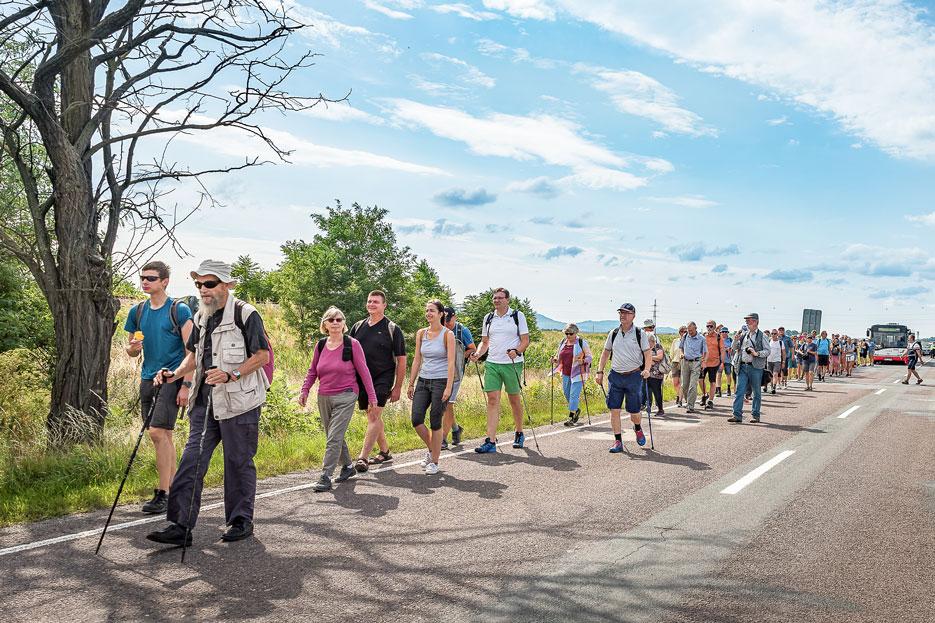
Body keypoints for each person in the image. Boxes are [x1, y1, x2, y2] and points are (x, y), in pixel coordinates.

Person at [147, 259, 270, 546]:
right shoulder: (200, 316)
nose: (203, 289)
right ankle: (180, 526)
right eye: (199, 284)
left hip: (240, 402)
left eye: (209, 283)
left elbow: (262, 355)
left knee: (237, 462)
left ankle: (240, 520)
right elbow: (193, 356)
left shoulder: (246, 314)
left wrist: (232, 374)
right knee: (191, 461)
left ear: (226, 285)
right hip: (204, 402)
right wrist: (174, 375)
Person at [124, 261, 194, 515]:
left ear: (164, 281)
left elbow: (192, 351)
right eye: (143, 277)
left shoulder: (179, 310)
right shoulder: (138, 311)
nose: (145, 282)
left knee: (156, 432)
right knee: (162, 436)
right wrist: (132, 349)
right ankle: (172, 489)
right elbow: (131, 349)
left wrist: (186, 384)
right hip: (147, 378)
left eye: (151, 278)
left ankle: (162, 493)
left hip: (171, 378)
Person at [300, 306, 377, 491]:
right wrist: (304, 390)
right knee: (333, 435)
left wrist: (372, 396)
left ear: (344, 324)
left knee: (333, 437)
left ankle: (325, 476)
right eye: (331, 320)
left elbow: (364, 371)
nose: (335, 322)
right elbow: (312, 371)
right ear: (325, 324)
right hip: (324, 395)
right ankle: (348, 466)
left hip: (347, 394)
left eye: (339, 319)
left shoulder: (352, 344)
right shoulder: (320, 345)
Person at [349, 291, 406, 472]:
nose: (371, 304)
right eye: (369, 301)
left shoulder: (392, 329)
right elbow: (348, 355)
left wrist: (397, 387)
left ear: (384, 305)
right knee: (372, 415)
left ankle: (362, 457)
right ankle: (385, 451)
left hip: (383, 377)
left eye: (376, 302)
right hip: (362, 379)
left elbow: (402, 360)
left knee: (374, 414)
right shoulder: (357, 327)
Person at [470, 288, 530, 453]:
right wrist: (478, 353)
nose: (497, 301)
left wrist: (517, 351)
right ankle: (490, 440)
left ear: (507, 300)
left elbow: (525, 340)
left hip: (512, 363)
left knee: (514, 399)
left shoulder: (517, 316)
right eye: (494, 298)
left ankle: (519, 432)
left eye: (500, 298)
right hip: (492, 363)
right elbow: (485, 342)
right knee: (492, 400)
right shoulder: (488, 318)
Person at [407, 300, 456, 475]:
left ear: (441, 314)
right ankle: (432, 449)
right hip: (423, 380)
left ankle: (434, 461)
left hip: (441, 381)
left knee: (435, 421)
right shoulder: (421, 333)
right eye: (427, 310)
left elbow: (451, 363)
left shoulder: (447, 335)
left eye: (432, 311)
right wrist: (411, 382)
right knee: (416, 419)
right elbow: (417, 360)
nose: (428, 313)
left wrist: (448, 387)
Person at [596, 303, 652, 453]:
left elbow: (647, 354)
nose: (623, 315)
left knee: (634, 412)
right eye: (621, 312)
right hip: (615, 376)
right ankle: (617, 441)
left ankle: (638, 427)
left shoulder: (640, 334)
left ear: (633, 316)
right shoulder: (613, 333)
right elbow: (605, 352)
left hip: (634, 376)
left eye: (627, 313)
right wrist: (599, 371)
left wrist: (646, 369)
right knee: (614, 410)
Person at [441, 307, 475, 449]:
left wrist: (461, 356)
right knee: (445, 403)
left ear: (455, 317)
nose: (447, 323)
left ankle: (442, 438)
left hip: (456, 373)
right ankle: (455, 429)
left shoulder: (462, 331)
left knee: (448, 403)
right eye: (444, 320)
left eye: (449, 320)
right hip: (440, 371)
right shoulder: (439, 329)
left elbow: (472, 348)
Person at [727, 313, 770, 424]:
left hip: (755, 367)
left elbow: (768, 351)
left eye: (749, 321)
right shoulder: (744, 335)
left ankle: (755, 415)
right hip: (742, 366)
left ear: (756, 322)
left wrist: (757, 353)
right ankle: (737, 415)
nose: (747, 322)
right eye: (746, 321)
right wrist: (735, 340)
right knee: (739, 391)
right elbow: (735, 348)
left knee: (756, 392)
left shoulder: (762, 336)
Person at [551, 323, 593, 426]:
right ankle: (576, 409)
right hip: (565, 372)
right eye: (566, 333)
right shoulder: (563, 342)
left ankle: (571, 417)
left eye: (570, 333)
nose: (568, 335)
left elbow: (590, 357)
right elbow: (559, 357)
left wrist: (582, 361)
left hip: (578, 373)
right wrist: (555, 360)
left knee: (574, 395)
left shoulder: (582, 343)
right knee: (566, 393)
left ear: (576, 333)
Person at [678, 321, 706, 413]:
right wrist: (682, 354)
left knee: (693, 385)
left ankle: (690, 406)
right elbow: (681, 347)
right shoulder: (685, 336)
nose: (689, 332)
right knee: (685, 385)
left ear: (696, 328)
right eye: (688, 330)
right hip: (685, 362)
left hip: (696, 362)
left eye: (691, 330)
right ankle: (688, 401)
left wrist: (703, 362)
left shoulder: (701, 338)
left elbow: (705, 352)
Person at [699, 320, 722, 410]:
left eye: (711, 326)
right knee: (700, 380)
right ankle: (705, 394)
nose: (709, 328)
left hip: (714, 363)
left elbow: (722, 350)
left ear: (714, 327)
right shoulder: (703, 336)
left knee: (712, 381)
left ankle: (710, 401)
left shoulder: (719, 337)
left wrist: (722, 362)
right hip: (703, 362)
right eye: (707, 326)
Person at [645, 334, 666, 416]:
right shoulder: (646, 349)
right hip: (647, 373)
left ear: (651, 341)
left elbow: (660, 357)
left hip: (656, 374)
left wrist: (649, 357)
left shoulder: (658, 346)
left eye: (647, 342)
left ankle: (660, 409)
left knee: (657, 391)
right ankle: (648, 406)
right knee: (647, 391)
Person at [669, 326, 686, 407]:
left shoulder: (688, 341)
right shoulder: (675, 341)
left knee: (681, 382)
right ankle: (678, 395)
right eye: (682, 331)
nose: (683, 333)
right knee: (675, 383)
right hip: (675, 363)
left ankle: (680, 400)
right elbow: (671, 353)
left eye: (685, 331)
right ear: (679, 332)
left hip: (684, 363)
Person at [766, 329, 784, 394]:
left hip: (777, 360)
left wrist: (783, 361)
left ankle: (774, 387)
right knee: (770, 375)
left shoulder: (780, 342)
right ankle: (771, 387)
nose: (773, 335)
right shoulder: (768, 341)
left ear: (777, 334)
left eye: (775, 333)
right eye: (772, 333)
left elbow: (783, 353)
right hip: (769, 360)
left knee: (775, 374)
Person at [720, 327, 734, 396]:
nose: (724, 333)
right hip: (719, 361)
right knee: (718, 375)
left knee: (728, 375)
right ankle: (718, 390)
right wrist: (725, 349)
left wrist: (730, 349)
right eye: (723, 332)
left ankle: (728, 389)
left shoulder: (730, 340)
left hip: (728, 360)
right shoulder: (718, 339)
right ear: (721, 333)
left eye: (726, 332)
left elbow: (733, 349)